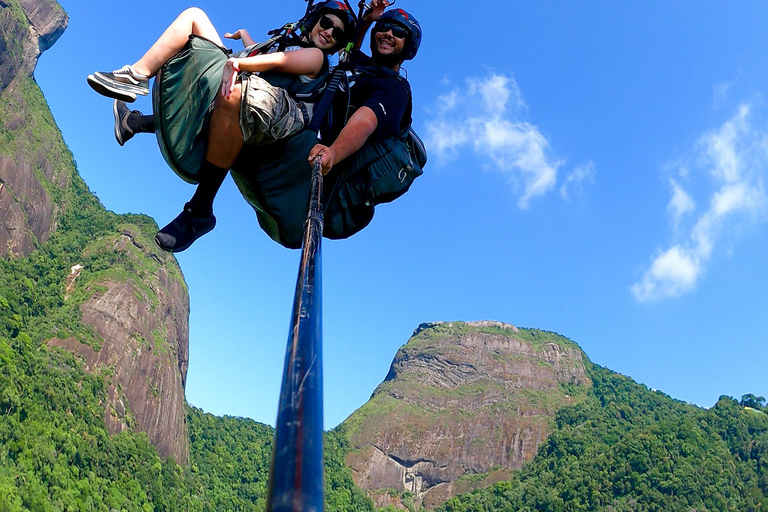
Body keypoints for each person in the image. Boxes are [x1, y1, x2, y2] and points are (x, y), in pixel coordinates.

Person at [86, 2, 357, 251]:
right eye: (326, 22)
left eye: (337, 33)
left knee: (233, 94)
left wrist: (238, 62)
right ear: (315, 21)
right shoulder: (288, 44)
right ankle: (136, 77)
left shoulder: (317, 59)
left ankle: (200, 210)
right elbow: (266, 52)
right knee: (195, 17)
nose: (329, 32)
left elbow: (279, 62)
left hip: (274, 113)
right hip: (250, 82)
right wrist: (245, 37)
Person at [171, 3, 422, 251]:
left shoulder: (394, 89)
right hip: (294, 137)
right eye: (385, 28)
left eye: (399, 33)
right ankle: (138, 119)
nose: (389, 34)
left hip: (306, 161)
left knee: (240, 98)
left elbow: (366, 121)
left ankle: (199, 211)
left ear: (408, 47)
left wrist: (333, 152)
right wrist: (368, 20)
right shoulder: (357, 64)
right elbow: (349, 47)